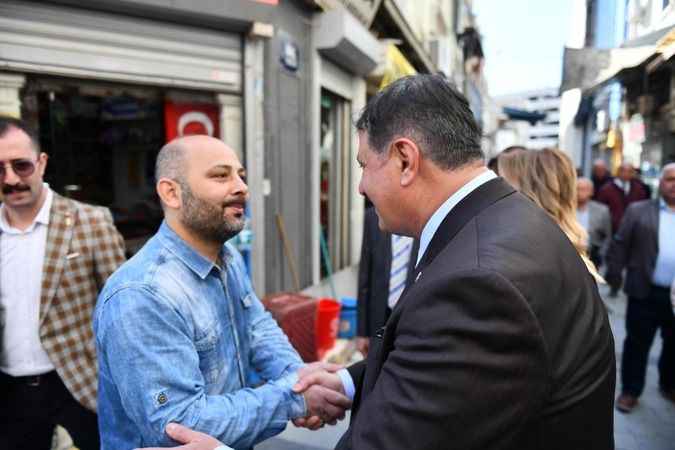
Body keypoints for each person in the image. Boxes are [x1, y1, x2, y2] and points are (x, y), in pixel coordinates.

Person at [292, 74, 615, 450]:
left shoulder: (478, 285)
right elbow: (453, 372)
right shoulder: (502, 219)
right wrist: (350, 382)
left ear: (405, 159)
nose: (360, 186)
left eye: (364, 164)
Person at [94, 135, 350, 450]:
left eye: (241, 175)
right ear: (171, 193)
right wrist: (294, 399)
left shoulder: (225, 258)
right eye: (221, 175)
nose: (241, 186)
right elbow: (177, 424)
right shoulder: (142, 295)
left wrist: (300, 377)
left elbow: (257, 328)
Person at [0, 116, 126, 450]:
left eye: (21, 166)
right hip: (10, 393)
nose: (11, 179)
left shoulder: (91, 221)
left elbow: (124, 312)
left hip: (81, 383)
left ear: (41, 163)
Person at [606, 162, 675, 413]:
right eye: (669, 179)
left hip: (674, 296)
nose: (674, 184)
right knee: (637, 344)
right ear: (661, 183)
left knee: (673, 344)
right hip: (644, 290)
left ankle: (669, 384)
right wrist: (615, 277)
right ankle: (630, 391)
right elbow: (620, 244)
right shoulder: (638, 210)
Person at [498, 148, 603, 283]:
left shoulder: (531, 252)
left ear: (529, 190)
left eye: (504, 183)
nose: (496, 192)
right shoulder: (562, 246)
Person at [356, 206, 419, 356]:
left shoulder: (423, 216)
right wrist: (362, 331)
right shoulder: (373, 217)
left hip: (410, 314)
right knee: (375, 364)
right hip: (379, 312)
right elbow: (365, 274)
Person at [596, 161, 649, 233]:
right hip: (612, 228)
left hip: (633, 228)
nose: (626, 174)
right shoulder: (606, 189)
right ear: (618, 172)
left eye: (630, 171)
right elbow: (600, 209)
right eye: (623, 171)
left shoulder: (638, 189)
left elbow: (643, 207)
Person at [576, 177, 612, 268]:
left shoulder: (602, 211)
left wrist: (601, 254)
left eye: (584, 189)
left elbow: (607, 236)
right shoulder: (565, 209)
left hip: (592, 256)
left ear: (591, 192)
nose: (580, 192)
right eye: (577, 189)